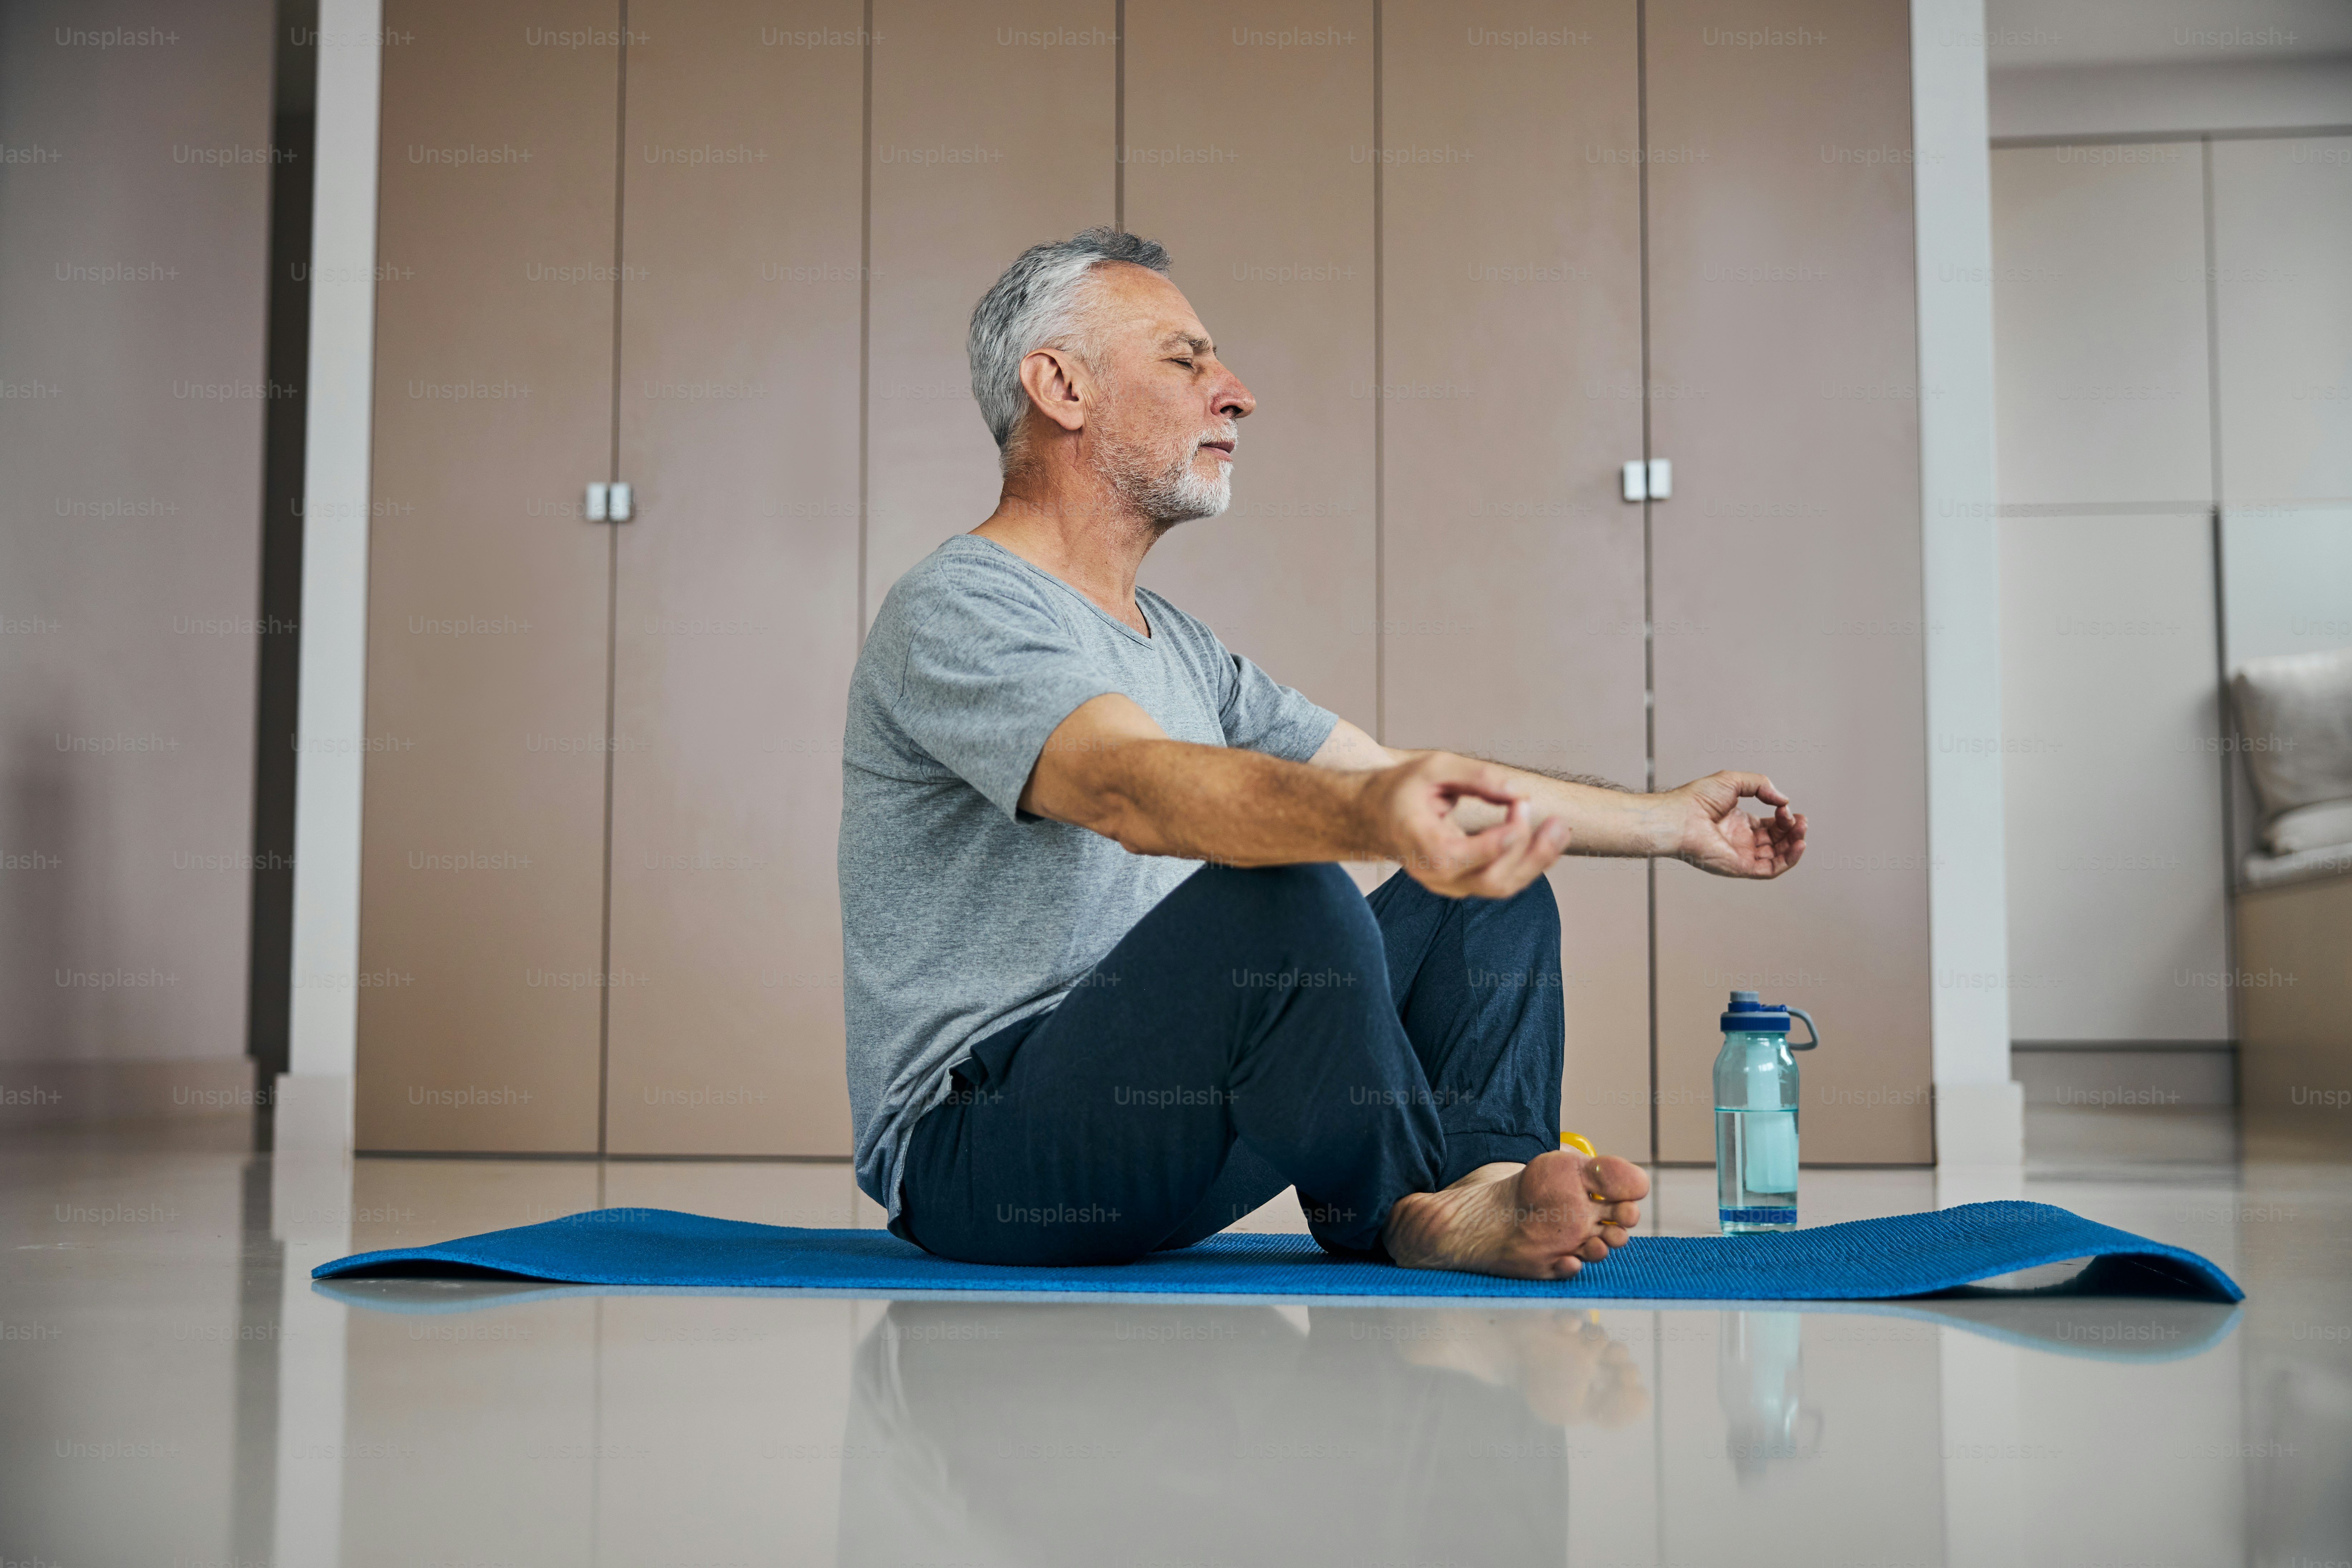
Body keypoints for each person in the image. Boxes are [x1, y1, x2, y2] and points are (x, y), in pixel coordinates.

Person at [838, 228, 1805, 1279]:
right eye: (1186, 359)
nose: (1237, 393)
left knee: (1489, 879)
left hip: (1163, 1136)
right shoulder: (961, 605)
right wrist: (1374, 820)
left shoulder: (1183, 647)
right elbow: (1128, 786)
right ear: (1061, 387)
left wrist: (1672, 820)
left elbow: (1390, 775)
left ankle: (1474, 1187)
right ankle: (1396, 1205)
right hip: (991, 1156)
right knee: (1282, 893)